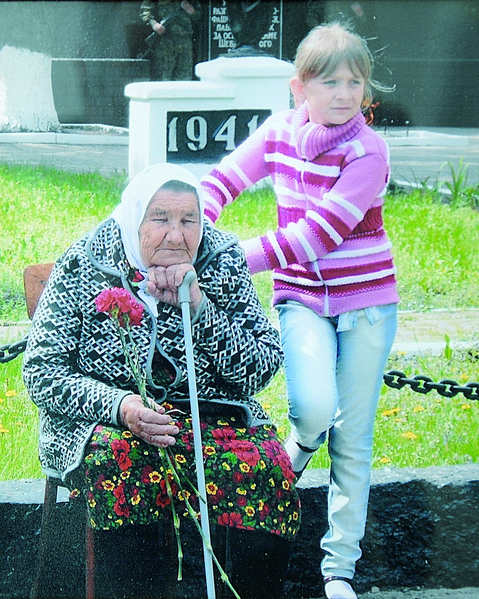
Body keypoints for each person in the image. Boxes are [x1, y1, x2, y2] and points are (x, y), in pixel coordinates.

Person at [23, 163, 300, 599]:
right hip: (107, 422)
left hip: (211, 417)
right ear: (135, 218)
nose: (177, 235)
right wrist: (121, 405)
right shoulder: (84, 264)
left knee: (265, 469)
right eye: (161, 219)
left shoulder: (222, 257)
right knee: (121, 464)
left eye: (189, 220)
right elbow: (41, 371)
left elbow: (261, 367)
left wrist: (200, 307)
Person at [201, 23, 399, 599]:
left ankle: (338, 571)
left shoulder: (368, 151)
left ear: (365, 90)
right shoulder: (279, 133)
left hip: (366, 306)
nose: (343, 92)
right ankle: (293, 456)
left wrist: (229, 259)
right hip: (301, 298)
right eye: (329, 80)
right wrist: (192, 230)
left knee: (353, 441)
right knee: (313, 409)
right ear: (299, 89)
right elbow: (221, 181)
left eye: (354, 81)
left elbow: (318, 235)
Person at [140, 0, 201, 81]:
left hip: (185, 42)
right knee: (163, 78)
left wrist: (191, 10)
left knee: (184, 79)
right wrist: (154, 24)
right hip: (165, 42)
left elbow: (198, 14)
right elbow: (145, 11)